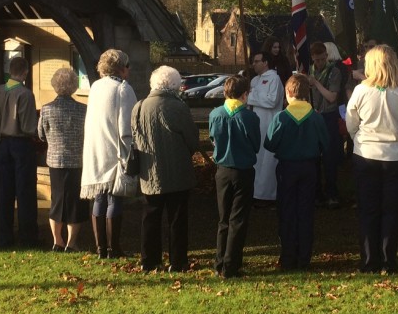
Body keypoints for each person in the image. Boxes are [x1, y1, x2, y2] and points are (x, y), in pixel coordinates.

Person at [345, 45, 398, 273]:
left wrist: (360, 139)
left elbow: (351, 123)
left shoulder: (360, 91)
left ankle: (369, 261)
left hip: (366, 154)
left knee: (368, 209)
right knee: (391, 210)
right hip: (396, 156)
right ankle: (388, 261)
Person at [132, 65, 199, 272]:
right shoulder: (178, 107)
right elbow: (192, 140)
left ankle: (149, 260)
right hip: (177, 171)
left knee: (150, 217)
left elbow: (135, 136)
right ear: (175, 85)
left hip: (149, 172)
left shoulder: (139, 106)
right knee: (177, 219)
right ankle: (178, 262)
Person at [264, 75, 329, 270]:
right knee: (306, 211)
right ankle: (304, 257)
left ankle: (288, 256)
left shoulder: (281, 117)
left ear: (288, 93)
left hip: (287, 168)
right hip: (310, 168)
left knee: (287, 211)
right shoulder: (316, 117)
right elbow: (326, 143)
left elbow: (270, 143)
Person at [80, 49, 135, 259]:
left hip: (96, 148)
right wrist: (129, 151)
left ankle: (101, 247)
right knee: (114, 198)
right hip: (114, 149)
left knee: (99, 197)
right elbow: (126, 126)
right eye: (127, 66)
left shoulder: (95, 86)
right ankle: (114, 248)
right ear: (121, 68)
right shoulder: (123, 89)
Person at [209, 75, 262, 278]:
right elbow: (255, 144)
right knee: (238, 219)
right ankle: (232, 265)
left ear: (225, 92)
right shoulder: (249, 117)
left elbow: (213, 138)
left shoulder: (215, 114)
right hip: (243, 171)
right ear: (244, 94)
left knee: (223, 219)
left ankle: (219, 262)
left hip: (222, 171)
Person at [0, 56, 39, 248]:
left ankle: (5, 236)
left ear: (9, 70)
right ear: (25, 72)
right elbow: (28, 127)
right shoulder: (25, 94)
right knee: (25, 192)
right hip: (21, 144)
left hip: (3, 144)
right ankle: (27, 236)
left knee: (5, 191)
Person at [38, 67, 87, 253]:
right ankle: (71, 243)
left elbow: (41, 134)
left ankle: (57, 241)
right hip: (77, 161)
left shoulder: (47, 109)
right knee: (76, 201)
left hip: (55, 161)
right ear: (74, 86)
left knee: (57, 200)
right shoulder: (83, 109)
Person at [307, 41, 344, 209]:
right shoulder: (309, 71)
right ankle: (316, 193)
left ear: (326, 56)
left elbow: (332, 97)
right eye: (316, 60)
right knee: (313, 156)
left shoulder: (334, 72)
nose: (319, 63)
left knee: (330, 157)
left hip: (329, 115)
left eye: (322, 59)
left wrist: (316, 83)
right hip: (313, 115)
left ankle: (332, 193)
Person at [247, 50, 285, 208]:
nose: (254, 64)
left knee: (268, 161)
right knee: (257, 160)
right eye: (253, 62)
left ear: (265, 63)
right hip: (257, 125)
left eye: (257, 61)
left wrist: (252, 97)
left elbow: (271, 101)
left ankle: (269, 195)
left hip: (269, 124)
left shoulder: (274, 79)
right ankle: (256, 193)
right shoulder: (254, 80)